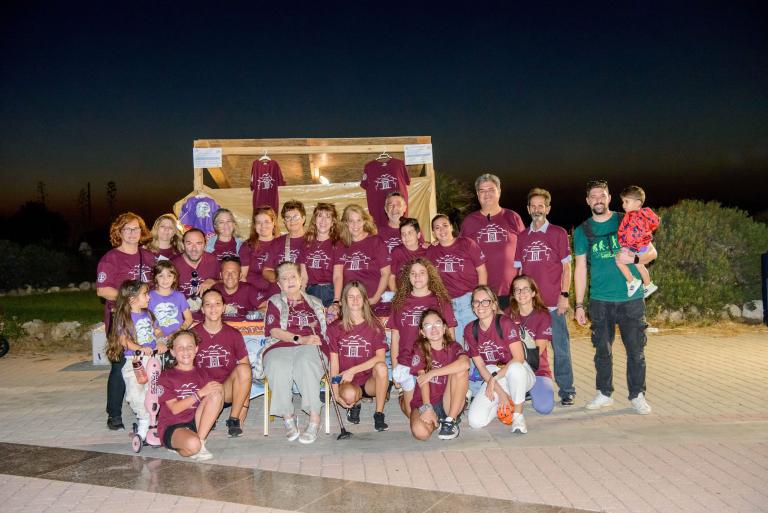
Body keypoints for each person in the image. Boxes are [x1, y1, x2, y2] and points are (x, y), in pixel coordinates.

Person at [574, 180, 654, 415]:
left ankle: (637, 395)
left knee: (636, 351)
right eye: (593, 196)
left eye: (602, 195)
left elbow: (651, 252)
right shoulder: (582, 231)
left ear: (609, 198)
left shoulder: (627, 219)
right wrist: (579, 304)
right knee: (602, 351)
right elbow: (580, 269)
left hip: (631, 298)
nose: (598, 199)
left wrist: (635, 260)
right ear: (587, 201)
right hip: (600, 300)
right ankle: (604, 393)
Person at [513, 188, 576, 406]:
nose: (537, 209)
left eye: (541, 205)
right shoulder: (522, 237)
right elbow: (520, 272)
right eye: (533, 206)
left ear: (548, 208)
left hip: (553, 303)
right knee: (530, 348)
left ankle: (567, 390)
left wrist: (564, 295)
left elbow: (567, 268)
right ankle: (530, 385)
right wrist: (519, 300)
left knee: (561, 348)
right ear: (528, 209)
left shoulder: (558, 233)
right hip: (530, 306)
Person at [255, 262, 328, 443]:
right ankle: (288, 417)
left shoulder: (316, 302)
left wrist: (311, 340)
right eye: (284, 278)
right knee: (277, 365)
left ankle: (314, 418)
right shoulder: (274, 302)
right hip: (280, 344)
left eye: (293, 277)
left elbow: (325, 329)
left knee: (306, 363)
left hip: (311, 343)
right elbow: (274, 331)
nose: (290, 281)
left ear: (301, 280)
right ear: (279, 284)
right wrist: (299, 339)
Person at [96, 212, 156, 431]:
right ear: (119, 232)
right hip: (121, 318)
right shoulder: (111, 258)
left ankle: (147, 408)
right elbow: (102, 290)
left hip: (145, 319)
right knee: (120, 365)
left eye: (136, 228)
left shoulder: (149, 257)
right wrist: (130, 301)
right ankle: (114, 414)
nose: (132, 233)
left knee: (148, 361)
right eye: (127, 229)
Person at [388, 258, 456, 417]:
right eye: (413, 273)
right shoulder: (399, 302)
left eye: (421, 273)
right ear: (408, 277)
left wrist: (449, 363)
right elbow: (395, 338)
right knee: (413, 414)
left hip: (433, 361)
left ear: (429, 275)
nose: (417, 277)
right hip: (407, 361)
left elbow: (450, 335)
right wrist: (395, 369)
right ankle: (404, 398)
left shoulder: (441, 301)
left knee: (433, 412)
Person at [104, 280, 167, 441]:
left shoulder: (149, 314)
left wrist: (161, 342)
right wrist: (139, 348)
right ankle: (144, 420)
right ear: (132, 299)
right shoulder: (124, 318)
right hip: (135, 361)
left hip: (152, 359)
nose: (149, 297)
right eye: (145, 294)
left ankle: (154, 421)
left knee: (153, 391)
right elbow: (124, 340)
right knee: (135, 393)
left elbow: (158, 331)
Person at [326, 281, 390, 431]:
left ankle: (379, 414)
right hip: (346, 381)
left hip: (369, 381)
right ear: (344, 301)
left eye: (359, 296)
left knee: (382, 367)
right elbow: (334, 364)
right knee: (349, 394)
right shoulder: (335, 328)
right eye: (351, 297)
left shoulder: (375, 325)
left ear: (365, 300)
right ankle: (355, 404)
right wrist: (336, 393)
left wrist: (352, 370)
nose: (355, 300)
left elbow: (380, 358)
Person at [191, 289, 252, 437]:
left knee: (244, 369)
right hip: (202, 391)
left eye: (217, 304)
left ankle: (233, 419)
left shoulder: (233, 334)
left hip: (226, 390)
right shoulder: (192, 334)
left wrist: (244, 406)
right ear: (202, 309)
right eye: (208, 304)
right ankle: (207, 413)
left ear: (224, 308)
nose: (213, 308)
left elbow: (246, 371)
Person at [464, 285, 525, 430]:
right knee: (475, 421)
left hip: (515, 372)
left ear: (493, 305)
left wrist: (493, 379)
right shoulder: (470, 330)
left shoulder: (504, 323)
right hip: (493, 374)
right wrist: (501, 394)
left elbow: (519, 358)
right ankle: (506, 402)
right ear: (472, 306)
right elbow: (481, 367)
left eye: (485, 301)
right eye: (476, 302)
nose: (480, 306)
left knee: (516, 368)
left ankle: (518, 416)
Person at [460, 174, 525, 309]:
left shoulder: (512, 217)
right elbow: (457, 251)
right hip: (480, 294)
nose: (486, 194)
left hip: (511, 292)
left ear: (499, 192)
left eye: (491, 190)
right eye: (482, 191)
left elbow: (526, 250)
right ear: (477, 194)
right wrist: (437, 244)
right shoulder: (469, 222)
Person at [158, 330, 223, 461]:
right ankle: (186, 445)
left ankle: (201, 442)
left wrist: (218, 391)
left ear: (196, 349)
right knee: (193, 445)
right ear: (172, 352)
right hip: (173, 424)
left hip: (196, 422)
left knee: (217, 391)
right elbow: (175, 409)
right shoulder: (165, 377)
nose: (186, 351)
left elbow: (214, 400)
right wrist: (199, 394)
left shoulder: (203, 373)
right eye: (180, 348)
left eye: (189, 347)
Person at [504, 275, 556, 432]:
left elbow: (536, 352)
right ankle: (521, 389)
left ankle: (526, 389)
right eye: (517, 290)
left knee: (544, 408)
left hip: (537, 369)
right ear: (513, 294)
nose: (521, 293)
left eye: (525, 289)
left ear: (533, 292)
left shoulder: (543, 315)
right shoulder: (507, 314)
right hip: (512, 368)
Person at [427, 214, 487, 347]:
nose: (442, 230)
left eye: (445, 225)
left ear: (451, 227)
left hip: (469, 299)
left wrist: (481, 297)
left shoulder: (467, 243)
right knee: (458, 344)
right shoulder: (431, 251)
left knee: (476, 341)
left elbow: (481, 270)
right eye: (437, 228)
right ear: (433, 233)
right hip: (447, 303)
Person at [409, 309, 470, 441]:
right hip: (426, 400)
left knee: (461, 370)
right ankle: (439, 421)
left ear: (444, 328)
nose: (433, 328)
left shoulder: (453, 346)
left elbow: (465, 364)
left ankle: (450, 421)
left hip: (449, 401)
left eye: (437, 323)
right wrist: (427, 408)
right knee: (421, 433)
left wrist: (432, 373)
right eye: (428, 325)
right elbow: (423, 381)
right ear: (422, 332)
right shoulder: (419, 348)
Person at [332, 204, 391, 313]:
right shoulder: (341, 245)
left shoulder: (376, 241)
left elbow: (386, 273)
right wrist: (336, 301)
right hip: (352, 305)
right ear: (346, 223)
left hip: (374, 302)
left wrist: (376, 298)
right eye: (351, 221)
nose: (355, 225)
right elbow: (337, 276)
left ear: (364, 221)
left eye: (359, 220)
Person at [616, 185, 660, 298]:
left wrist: (632, 249)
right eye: (623, 201)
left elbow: (636, 234)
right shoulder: (640, 215)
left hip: (637, 247)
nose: (623, 205)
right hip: (641, 246)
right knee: (640, 266)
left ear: (637, 203)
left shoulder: (635, 217)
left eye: (627, 201)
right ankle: (648, 285)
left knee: (619, 261)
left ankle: (632, 281)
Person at [301, 202, 339, 307]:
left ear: (333, 222)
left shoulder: (337, 244)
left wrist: (336, 301)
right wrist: (301, 296)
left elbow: (338, 276)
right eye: (320, 216)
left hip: (331, 291)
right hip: (311, 291)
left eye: (328, 217)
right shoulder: (306, 244)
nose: (323, 220)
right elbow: (304, 276)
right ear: (314, 220)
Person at [171, 229, 219, 312]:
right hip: (182, 313)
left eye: (199, 243)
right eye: (189, 243)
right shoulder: (172, 265)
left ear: (205, 244)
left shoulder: (214, 260)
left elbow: (227, 282)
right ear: (183, 244)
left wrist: (213, 281)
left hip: (209, 313)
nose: (194, 248)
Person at [263, 200, 307, 286]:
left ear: (303, 218)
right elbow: (266, 271)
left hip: (306, 290)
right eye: (288, 217)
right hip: (280, 291)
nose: (292, 221)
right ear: (284, 221)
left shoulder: (314, 242)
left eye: (296, 217)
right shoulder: (277, 242)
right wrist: (283, 278)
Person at [213, 256, 266, 322]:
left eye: (234, 272)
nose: (230, 276)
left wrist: (245, 315)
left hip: (245, 327)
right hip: (221, 327)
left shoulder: (249, 289)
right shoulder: (214, 290)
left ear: (240, 275)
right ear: (221, 275)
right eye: (226, 272)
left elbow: (266, 309)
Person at [149, 260, 193, 337]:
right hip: (158, 338)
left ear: (174, 278)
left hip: (177, 336)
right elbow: (146, 320)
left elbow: (189, 319)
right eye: (161, 276)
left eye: (169, 275)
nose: (165, 279)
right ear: (155, 278)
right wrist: (160, 335)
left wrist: (177, 332)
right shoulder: (149, 297)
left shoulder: (179, 296)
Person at [243, 205, 280, 293]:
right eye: (259, 222)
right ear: (254, 225)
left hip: (277, 293)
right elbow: (243, 277)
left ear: (273, 222)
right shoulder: (247, 246)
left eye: (266, 222)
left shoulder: (282, 244)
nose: (263, 226)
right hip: (253, 292)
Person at [388, 217, 428, 291]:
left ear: (418, 235)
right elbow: (391, 276)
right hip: (402, 293)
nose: (406, 236)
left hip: (422, 293)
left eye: (410, 233)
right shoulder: (397, 251)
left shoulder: (427, 251)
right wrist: (396, 294)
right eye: (403, 234)